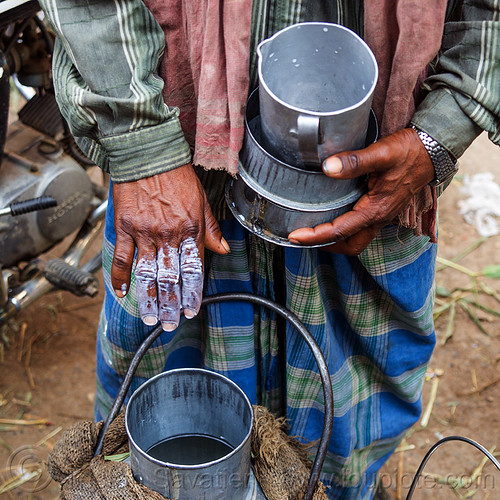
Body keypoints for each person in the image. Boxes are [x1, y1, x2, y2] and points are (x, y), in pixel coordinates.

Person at [39, 0, 500, 498]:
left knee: (351, 423)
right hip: (175, 176)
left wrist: (441, 131)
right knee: (158, 385)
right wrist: (142, 147)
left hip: (371, 183)